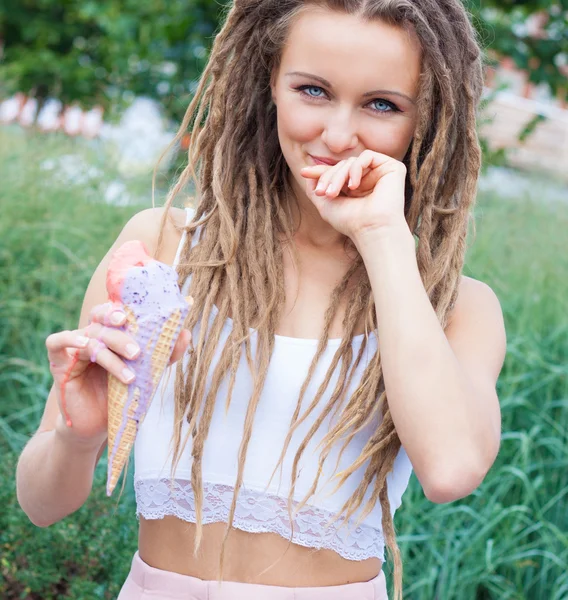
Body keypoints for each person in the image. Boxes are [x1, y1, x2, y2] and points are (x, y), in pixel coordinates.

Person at [16, 1, 507, 599]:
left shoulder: (456, 307)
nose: (337, 135)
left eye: (383, 104)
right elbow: (41, 505)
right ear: (270, 82)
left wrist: (382, 240)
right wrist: (79, 435)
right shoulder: (163, 246)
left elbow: (452, 469)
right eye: (313, 90)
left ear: (426, 118)